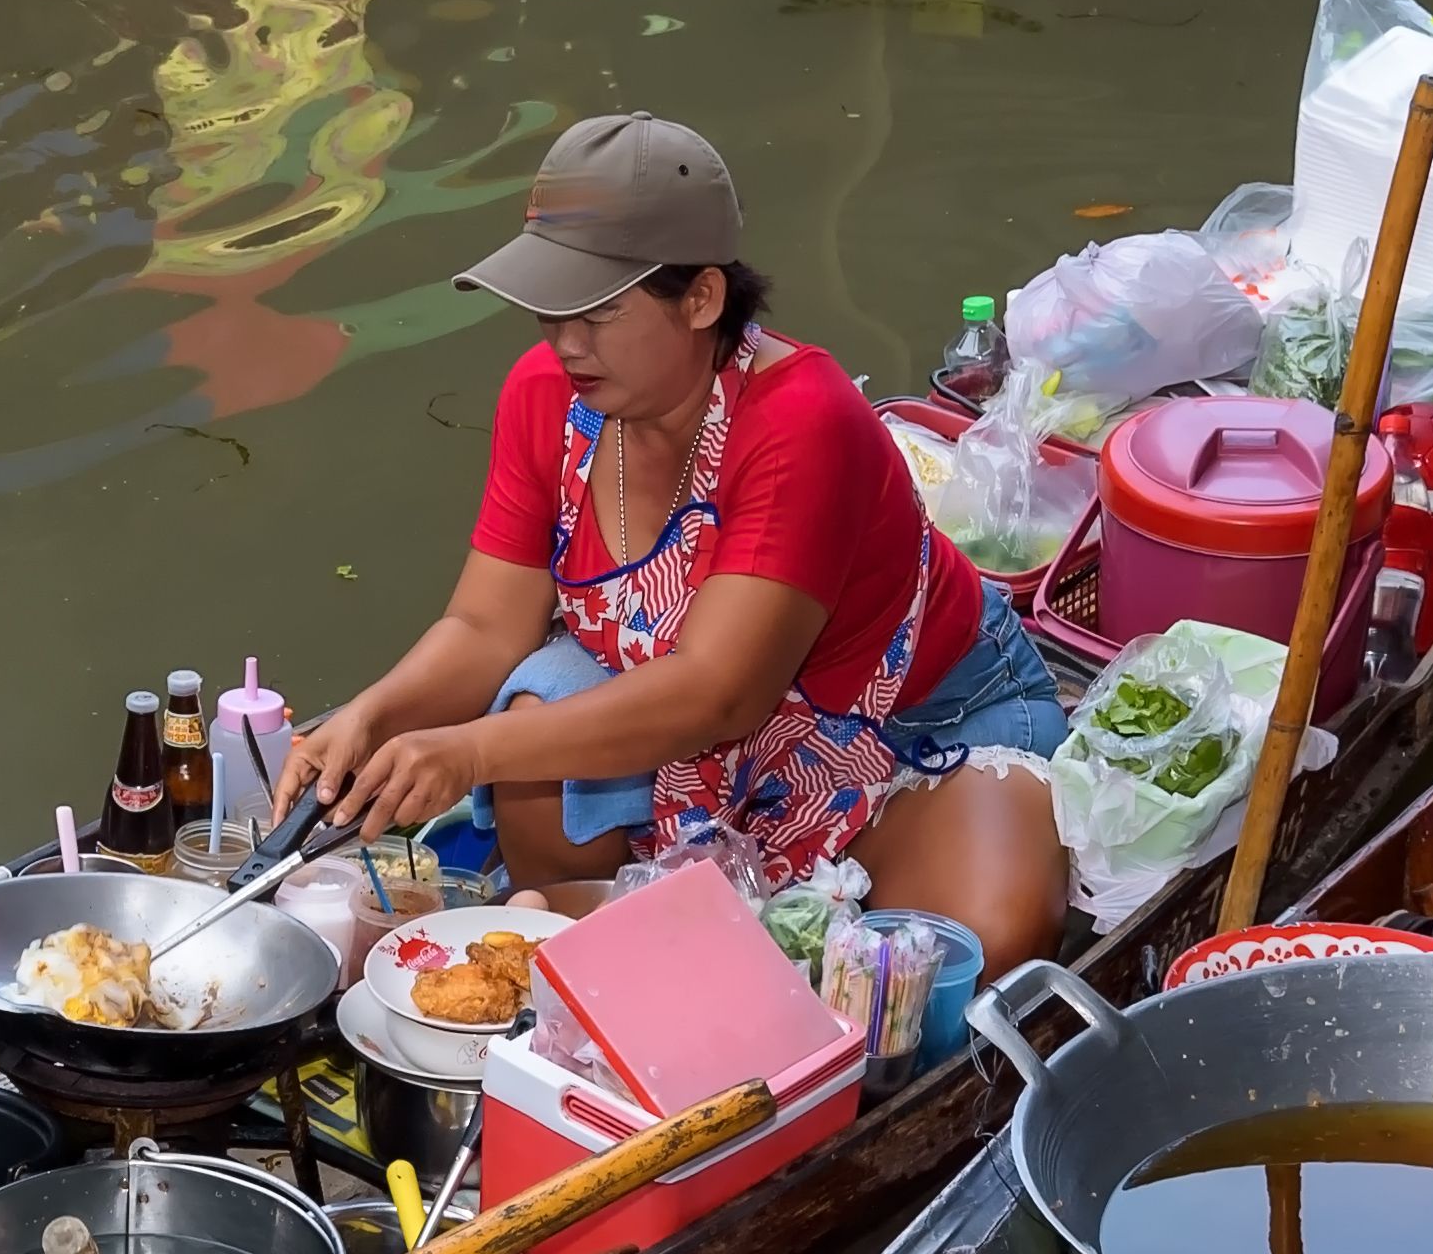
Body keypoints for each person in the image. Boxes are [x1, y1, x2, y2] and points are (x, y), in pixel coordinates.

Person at [279, 117, 1071, 975]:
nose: (565, 343)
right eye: (550, 311)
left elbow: (718, 694)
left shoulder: (803, 419)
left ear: (700, 300)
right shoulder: (544, 393)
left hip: (911, 725)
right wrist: (372, 717)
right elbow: (483, 627)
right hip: (688, 735)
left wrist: (463, 749)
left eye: (599, 313)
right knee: (534, 720)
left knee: (982, 944)